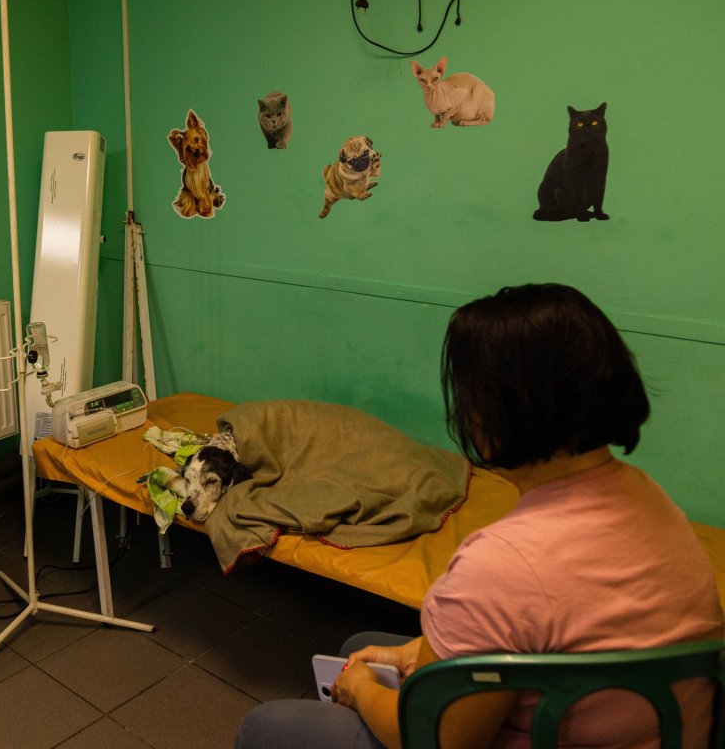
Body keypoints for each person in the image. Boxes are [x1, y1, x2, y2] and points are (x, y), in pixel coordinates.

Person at [235, 283, 723, 748]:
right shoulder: (650, 497)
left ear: (495, 412)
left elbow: (435, 739)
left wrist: (360, 690)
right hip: (655, 728)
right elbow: (575, 628)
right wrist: (420, 650)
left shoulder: (501, 564)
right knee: (363, 643)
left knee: (269, 726)